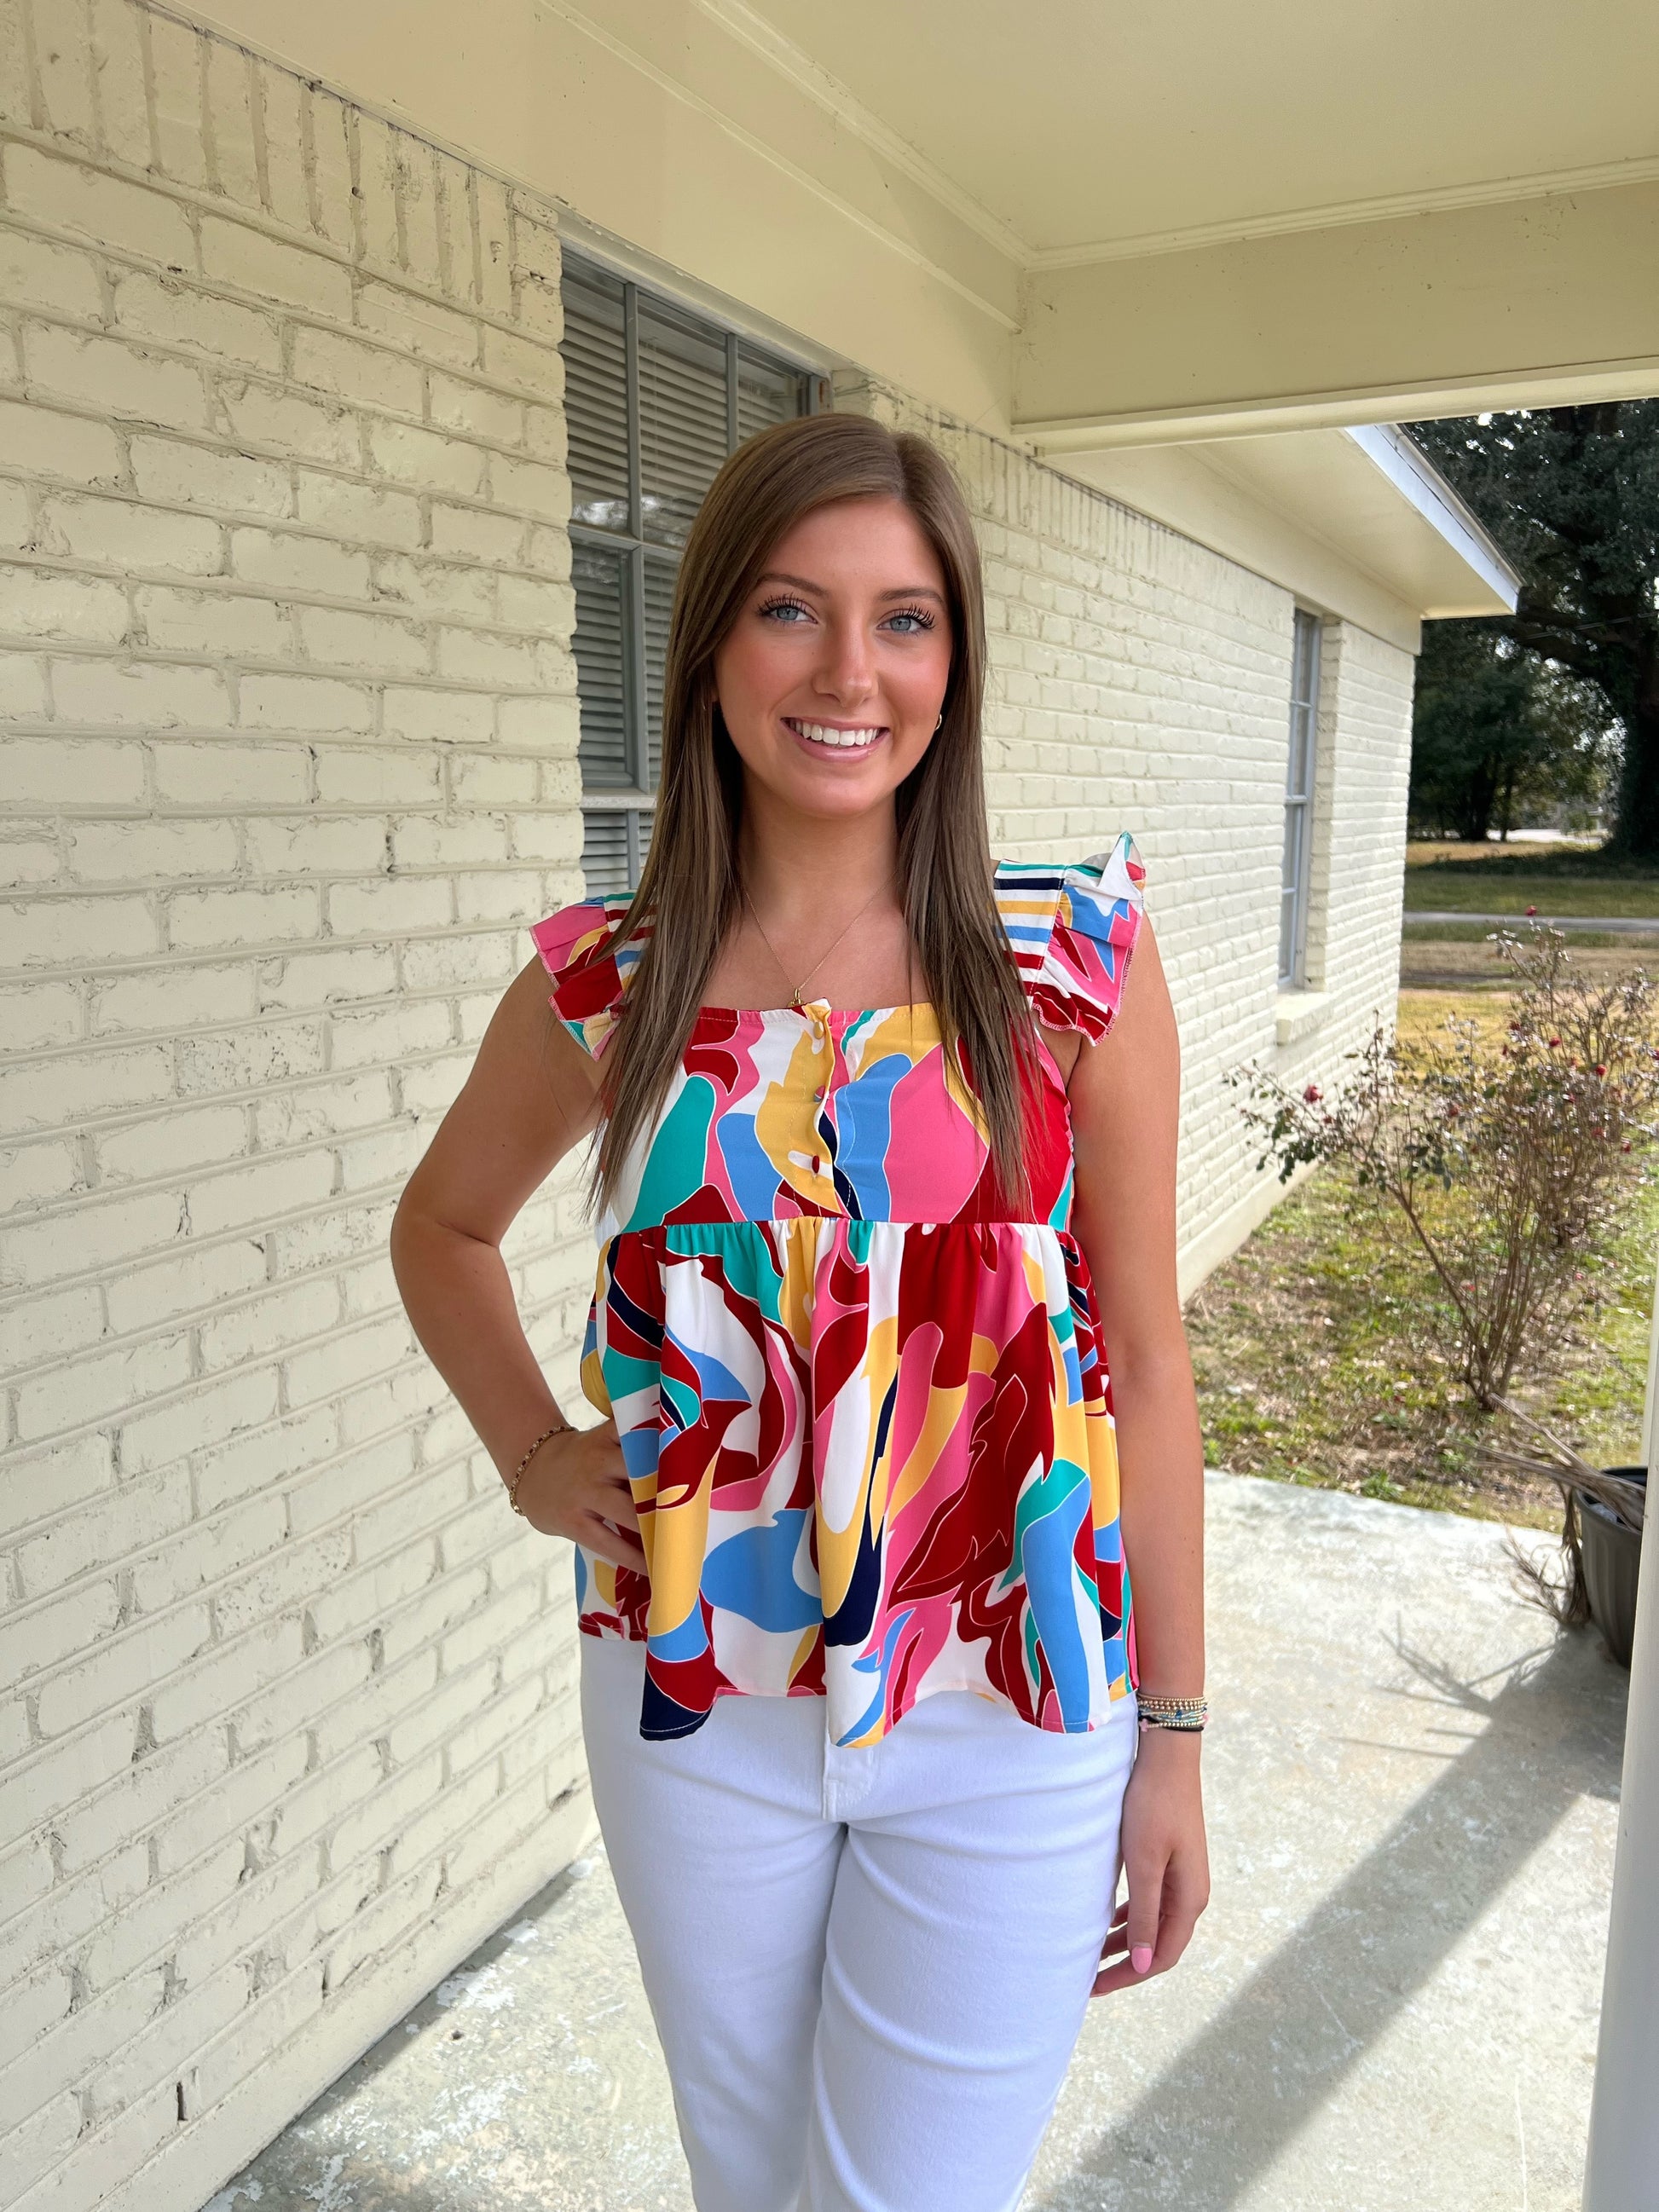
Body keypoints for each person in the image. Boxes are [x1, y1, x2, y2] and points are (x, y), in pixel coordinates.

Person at [390, 412, 1209, 2212]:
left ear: (954, 662)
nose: (850, 672)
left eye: (904, 619)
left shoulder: (1069, 959)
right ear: (709, 648)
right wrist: (533, 1454)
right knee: (751, 2181)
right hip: (700, 1693)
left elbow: (1147, 1367)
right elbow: (441, 1227)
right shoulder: (614, 978)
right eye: (790, 609)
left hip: (1009, 1698)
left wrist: (1174, 1738)